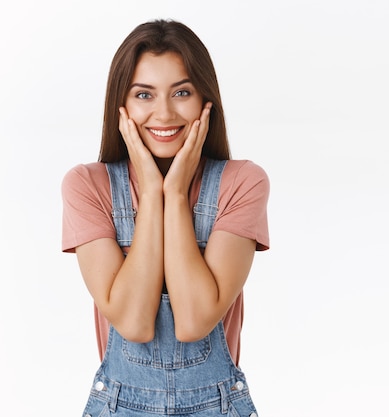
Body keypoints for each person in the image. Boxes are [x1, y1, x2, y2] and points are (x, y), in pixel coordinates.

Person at [61, 19, 269, 417]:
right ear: (120, 105)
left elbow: (194, 321)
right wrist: (152, 193)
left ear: (205, 99)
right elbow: (134, 323)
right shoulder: (87, 186)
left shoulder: (242, 182)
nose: (164, 113)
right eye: (144, 94)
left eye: (182, 92)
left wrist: (174, 194)